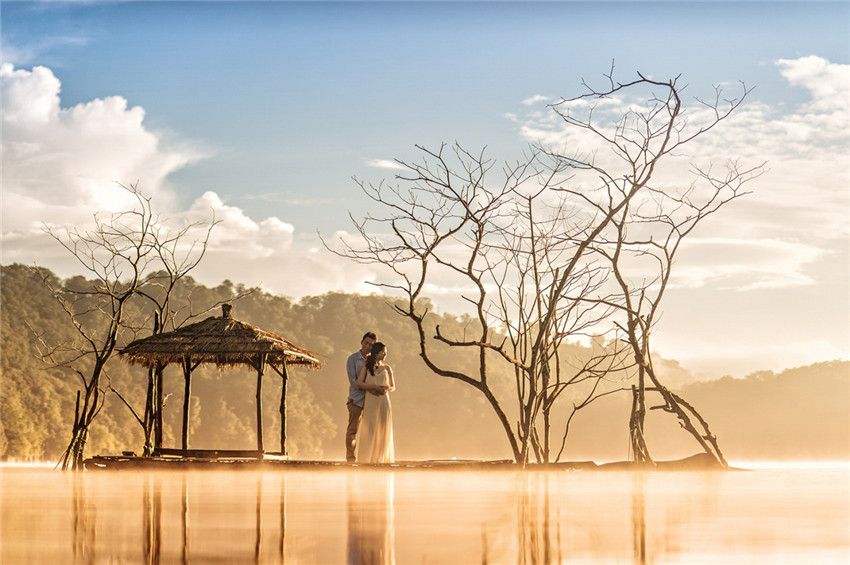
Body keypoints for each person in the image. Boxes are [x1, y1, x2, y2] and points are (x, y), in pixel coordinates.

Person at [356, 342, 395, 464]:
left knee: (383, 428)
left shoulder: (387, 368)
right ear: (377, 352)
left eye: (385, 353)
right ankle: (366, 459)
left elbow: (393, 386)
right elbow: (359, 383)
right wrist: (374, 387)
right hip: (371, 399)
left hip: (384, 400)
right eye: (383, 352)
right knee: (370, 427)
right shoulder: (367, 366)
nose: (385, 354)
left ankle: (380, 459)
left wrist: (385, 389)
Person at [346, 332, 379, 462]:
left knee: (371, 431)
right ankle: (351, 458)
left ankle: (368, 458)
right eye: (366, 343)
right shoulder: (353, 359)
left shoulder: (375, 360)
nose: (368, 346)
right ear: (361, 342)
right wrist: (371, 388)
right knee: (352, 431)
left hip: (372, 401)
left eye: (371, 345)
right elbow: (354, 382)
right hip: (356, 400)